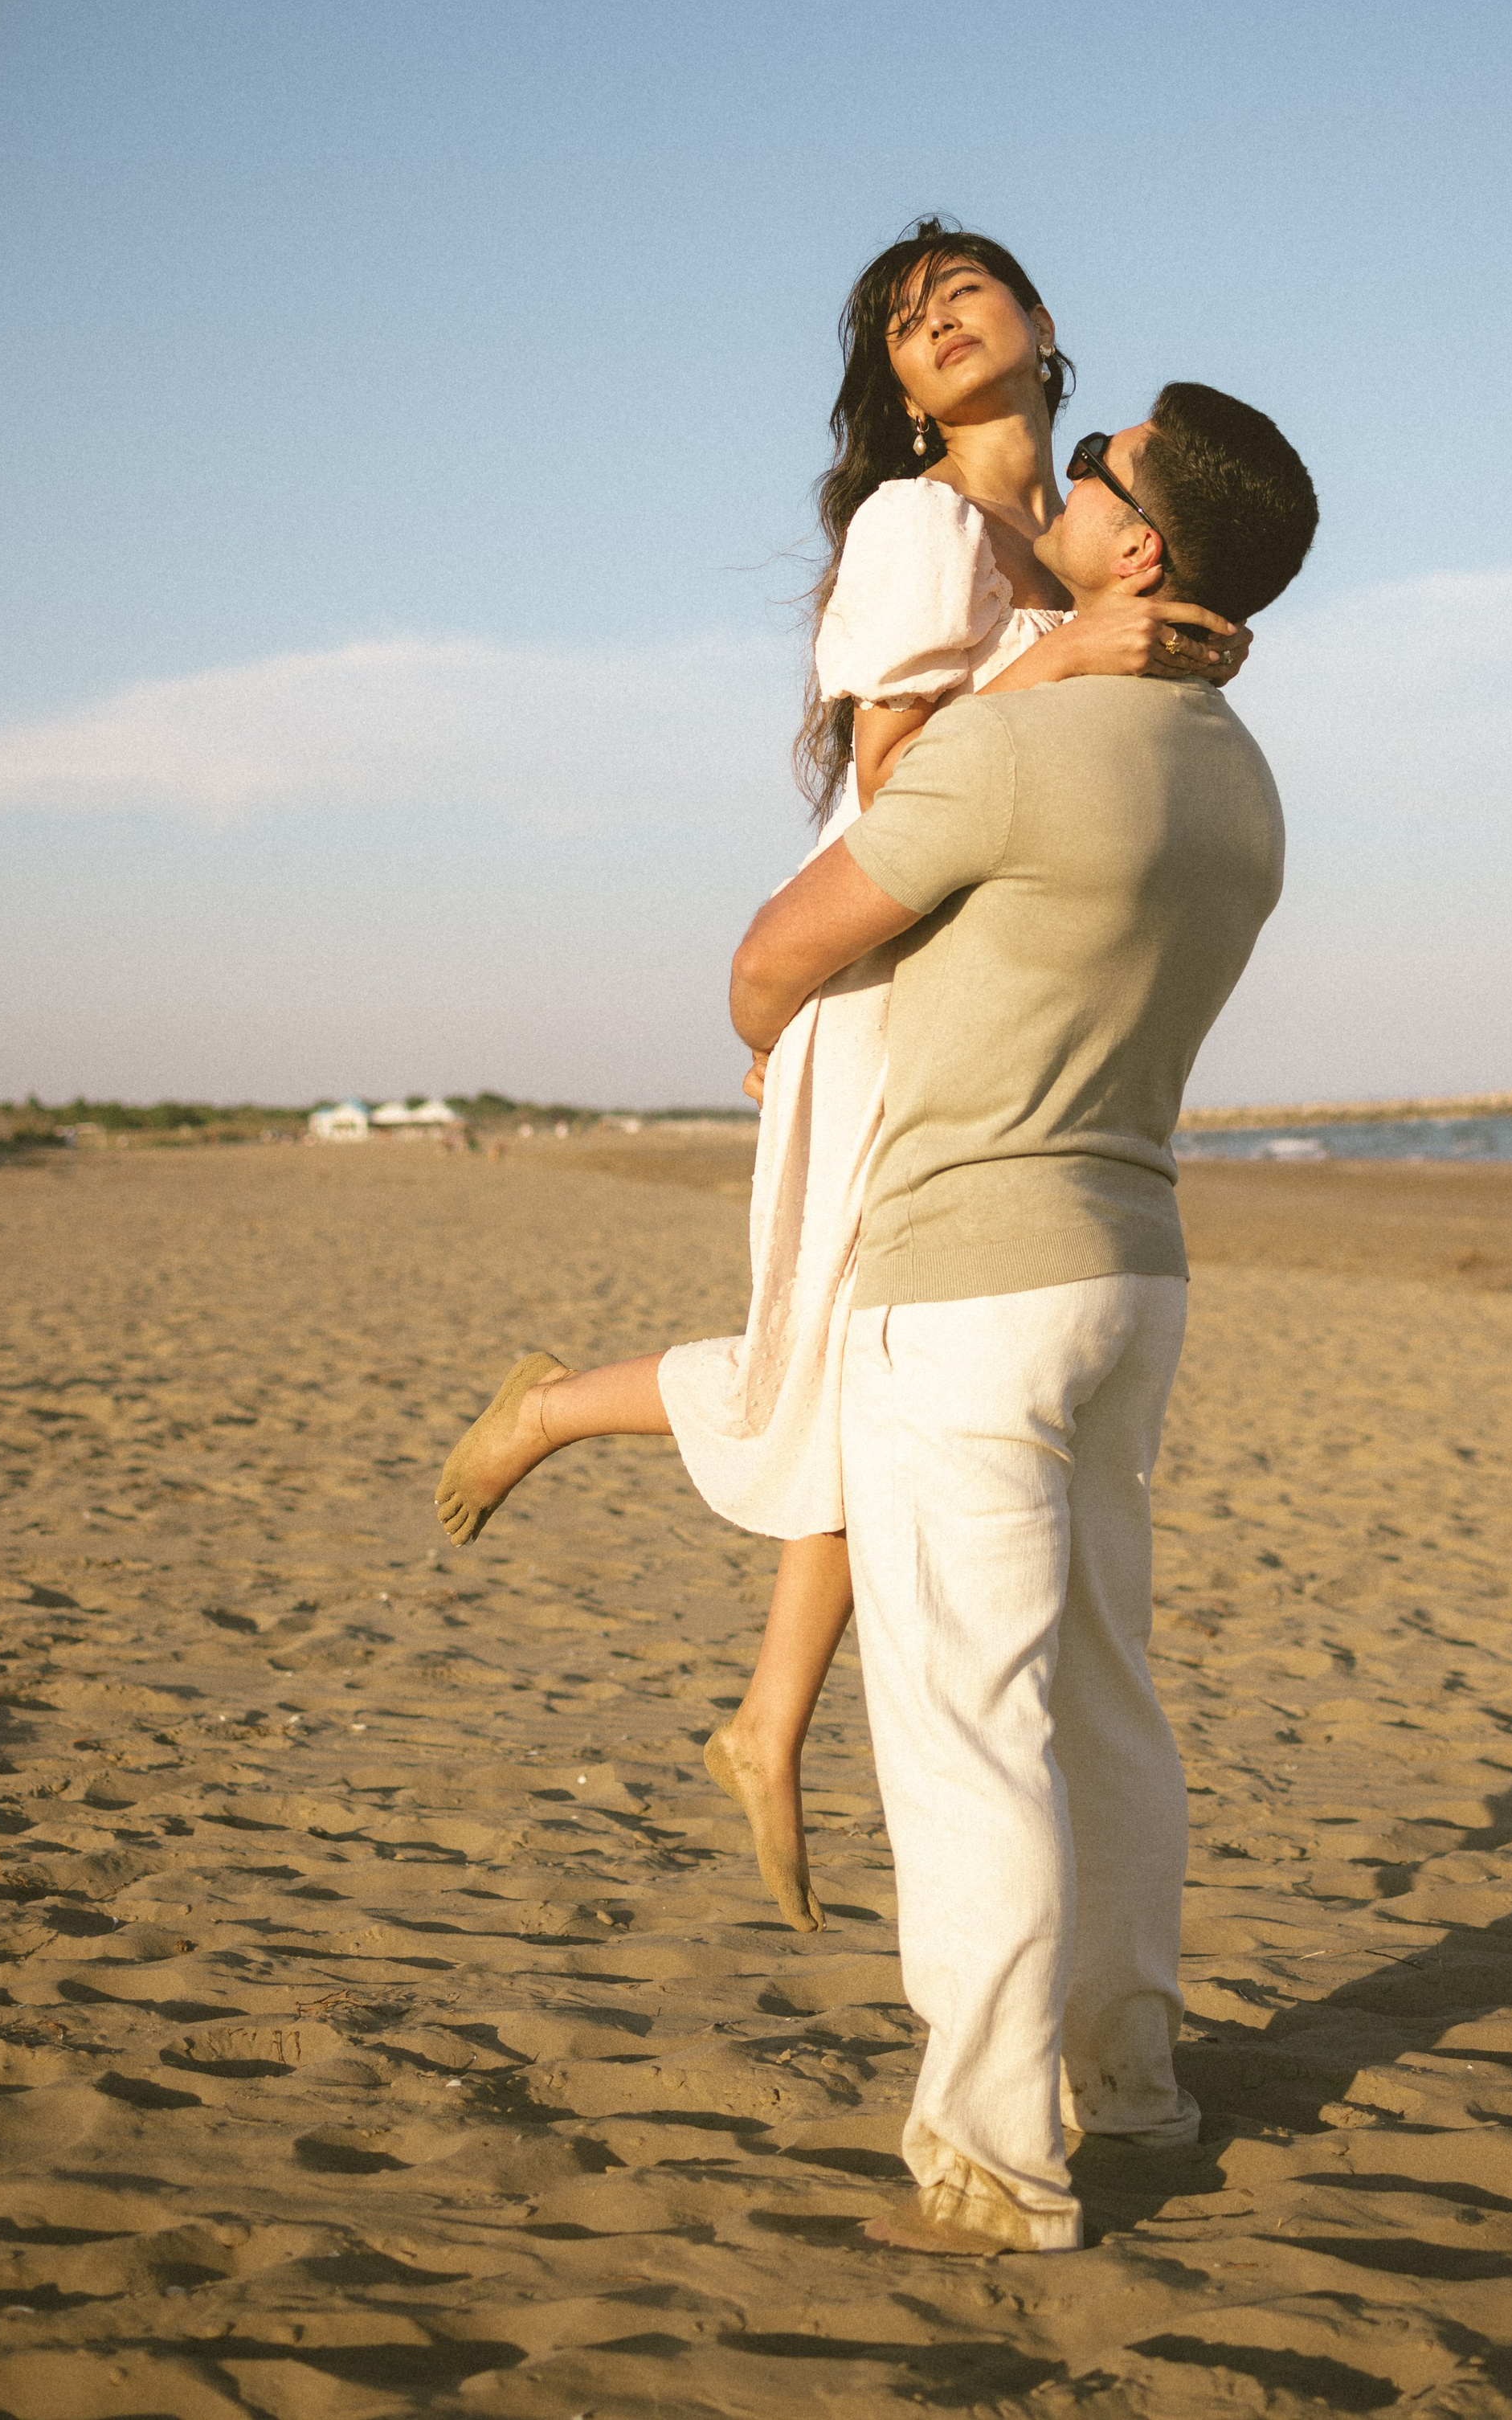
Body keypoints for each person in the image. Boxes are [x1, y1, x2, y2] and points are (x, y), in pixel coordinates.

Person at [433, 223, 1246, 1931]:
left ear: (1039, 324)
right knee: (852, 1353)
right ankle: (564, 1421)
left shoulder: (1076, 541)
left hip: (980, 982)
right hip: (880, 969)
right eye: (900, 317)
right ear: (892, 387)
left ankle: (759, 1717)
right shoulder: (919, 522)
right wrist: (1061, 660)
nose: (935, 318)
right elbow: (893, 786)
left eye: (964, 289)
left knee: (869, 1373)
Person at [725, 379, 1318, 2252]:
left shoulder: (1013, 750)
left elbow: (765, 964)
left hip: (968, 1281)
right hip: (1131, 1267)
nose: (1061, 480)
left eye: (1095, 467)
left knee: (970, 1728)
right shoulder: (1241, 780)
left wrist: (779, 1049)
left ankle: (994, 2143)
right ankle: (1129, 2072)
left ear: (1136, 549)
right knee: (1107, 1707)